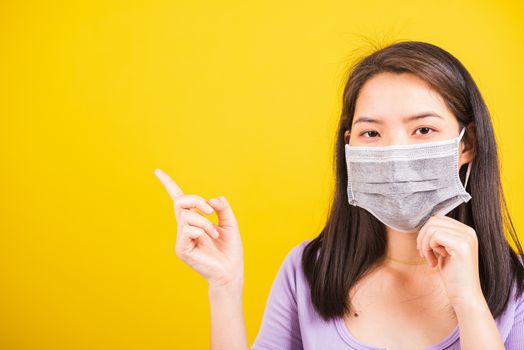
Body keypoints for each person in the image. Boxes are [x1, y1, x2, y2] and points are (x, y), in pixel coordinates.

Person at [154, 40, 524, 350]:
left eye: (423, 129)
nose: (393, 152)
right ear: (350, 148)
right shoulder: (307, 270)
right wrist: (224, 289)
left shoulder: (516, 285)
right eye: (371, 133)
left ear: (467, 144)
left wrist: (470, 302)